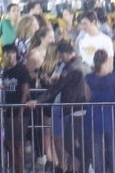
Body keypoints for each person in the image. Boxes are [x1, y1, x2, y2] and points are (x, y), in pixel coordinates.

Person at [29, 41, 90, 173]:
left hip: (71, 108)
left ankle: (80, 163)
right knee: (74, 142)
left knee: (68, 142)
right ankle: (78, 166)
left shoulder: (71, 68)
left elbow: (56, 89)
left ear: (66, 54)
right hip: (80, 108)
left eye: (61, 56)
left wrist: (38, 100)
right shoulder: (83, 66)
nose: (61, 59)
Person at [85, 49, 115, 173]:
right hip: (110, 115)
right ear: (106, 61)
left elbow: (87, 97)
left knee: (96, 149)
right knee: (112, 148)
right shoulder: (114, 77)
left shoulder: (88, 78)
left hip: (93, 116)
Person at [0, 45, 31, 173]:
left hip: (20, 111)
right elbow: (6, 88)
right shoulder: (5, 70)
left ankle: (21, 169)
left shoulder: (21, 70)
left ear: (16, 54)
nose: (9, 55)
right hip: (9, 110)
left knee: (18, 144)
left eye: (11, 52)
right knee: (9, 142)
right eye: (6, 53)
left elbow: (25, 90)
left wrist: (21, 111)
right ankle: (16, 169)